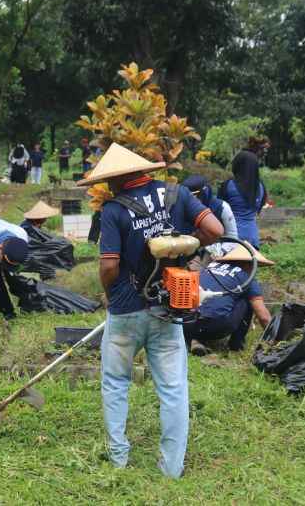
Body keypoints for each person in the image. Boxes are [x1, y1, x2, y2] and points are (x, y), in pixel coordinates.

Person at [90, 142, 223, 478]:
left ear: (116, 179)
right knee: (174, 388)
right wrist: (185, 244)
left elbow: (109, 266)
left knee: (116, 382)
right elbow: (215, 231)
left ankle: (119, 459)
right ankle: (171, 469)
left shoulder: (113, 210)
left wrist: (110, 294)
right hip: (168, 306)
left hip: (125, 310)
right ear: (144, 170)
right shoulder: (178, 195)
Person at [184, 243, 273, 356]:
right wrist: (276, 339)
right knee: (248, 300)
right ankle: (236, 345)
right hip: (215, 327)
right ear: (249, 264)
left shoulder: (210, 267)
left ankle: (194, 338)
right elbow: (263, 317)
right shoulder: (246, 278)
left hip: (186, 322)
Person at [218, 150, 268, 248]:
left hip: (231, 238)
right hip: (252, 240)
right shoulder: (261, 187)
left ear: (237, 165)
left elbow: (218, 210)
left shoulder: (228, 185)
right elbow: (258, 211)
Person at [181, 174, 238, 241]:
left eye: (196, 196)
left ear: (205, 193)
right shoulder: (181, 207)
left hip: (219, 249)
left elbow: (232, 238)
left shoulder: (222, 207)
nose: (193, 201)